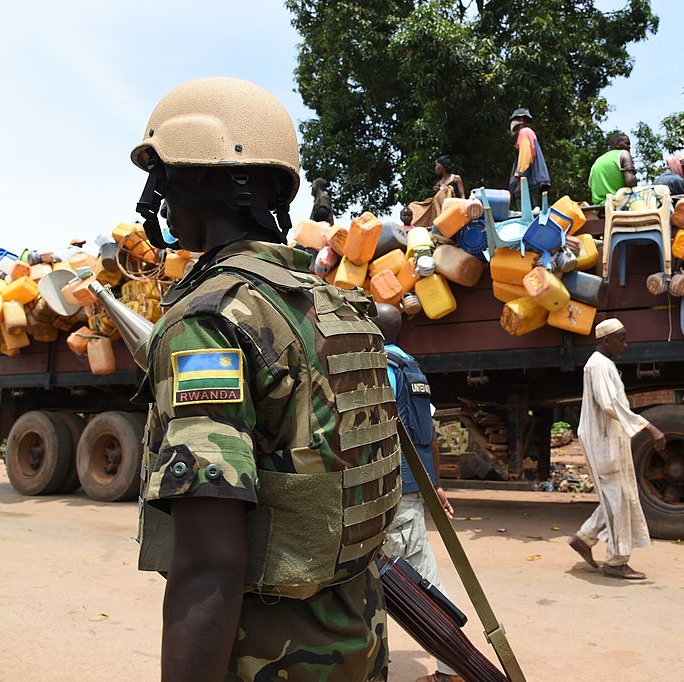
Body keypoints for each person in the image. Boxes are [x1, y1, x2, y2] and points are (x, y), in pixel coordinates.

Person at [131, 77, 397, 682]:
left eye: (163, 177)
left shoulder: (210, 322)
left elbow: (209, 563)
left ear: (195, 179)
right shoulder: (328, 304)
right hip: (358, 638)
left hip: (274, 657)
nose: (159, 201)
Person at [374, 303, 462, 682]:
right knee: (426, 583)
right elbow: (428, 438)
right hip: (412, 490)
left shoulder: (382, 370)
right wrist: (436, 485)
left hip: (391, 493)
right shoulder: (414, 370)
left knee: (380, 586)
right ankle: (450, 668)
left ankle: (371, 667)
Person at [568, 318, 666, 580]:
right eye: (620, 339)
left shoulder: (604, 364)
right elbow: (610, 404)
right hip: (603, 441)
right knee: (618, 498)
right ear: (605, 341)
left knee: (617, 495)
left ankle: (584, 538)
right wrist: (649, 427)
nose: (625, 343)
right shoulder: (598, 365)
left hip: (609, 439)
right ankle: (616, 561)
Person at [508, 107, 551, 209]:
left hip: (527, 185)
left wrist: (520, 183)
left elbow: (526, 157)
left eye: (514, 119)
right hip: (531, 184)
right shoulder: (528, 133)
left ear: (522, 119)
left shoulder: (525, 132)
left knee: (526, 220)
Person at [588, 131, 638, 205]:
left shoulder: (598, 161)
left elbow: (590, 184)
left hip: (599, 207)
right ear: (617, 144)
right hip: (618, 204)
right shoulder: (624, 154)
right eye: (627, 143)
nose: (629, 147)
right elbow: (630, 181)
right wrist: (633, 171)